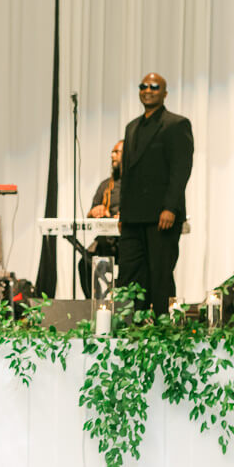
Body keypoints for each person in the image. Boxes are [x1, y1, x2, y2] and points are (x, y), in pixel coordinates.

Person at [117, 72, 193, 316]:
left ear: (164, 93)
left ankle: (162, 329)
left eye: (154, 86)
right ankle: (130, 326)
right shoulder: (132, 128)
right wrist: (122, 213)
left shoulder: (176, 124)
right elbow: (126, 175)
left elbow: (180, 170)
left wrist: (170, 207)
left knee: (160, 275)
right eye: (143, 86)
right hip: (133, 217)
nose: (147, 90)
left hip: (162, 214)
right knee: (128, 273)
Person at [78, 140, 123, 298]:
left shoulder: (134, 185)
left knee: (130, 266)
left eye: (117, 152)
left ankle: (124, 305)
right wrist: (95, 211)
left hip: (127, 243)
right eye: (112, 152)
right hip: (105, 242)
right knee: (84, 263)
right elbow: (90, 213)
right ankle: (93, 303)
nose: (112, 155)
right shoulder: (106, 185)